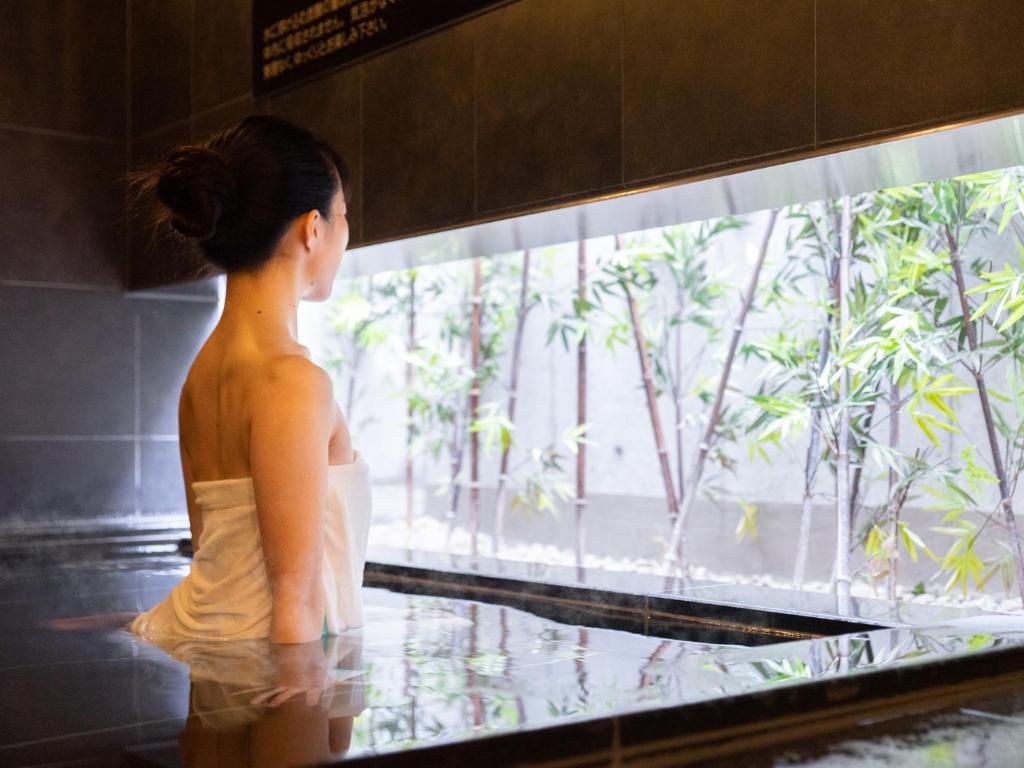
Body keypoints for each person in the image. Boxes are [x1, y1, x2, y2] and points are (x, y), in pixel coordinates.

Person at [126, 114, 372, 645]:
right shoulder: (293, 382)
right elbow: (297, 601)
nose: (346, 232)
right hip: (265, 668)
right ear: (313, 228)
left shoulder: (202, 375)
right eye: (344, 214)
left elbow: (209, 556)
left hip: (202, 645)